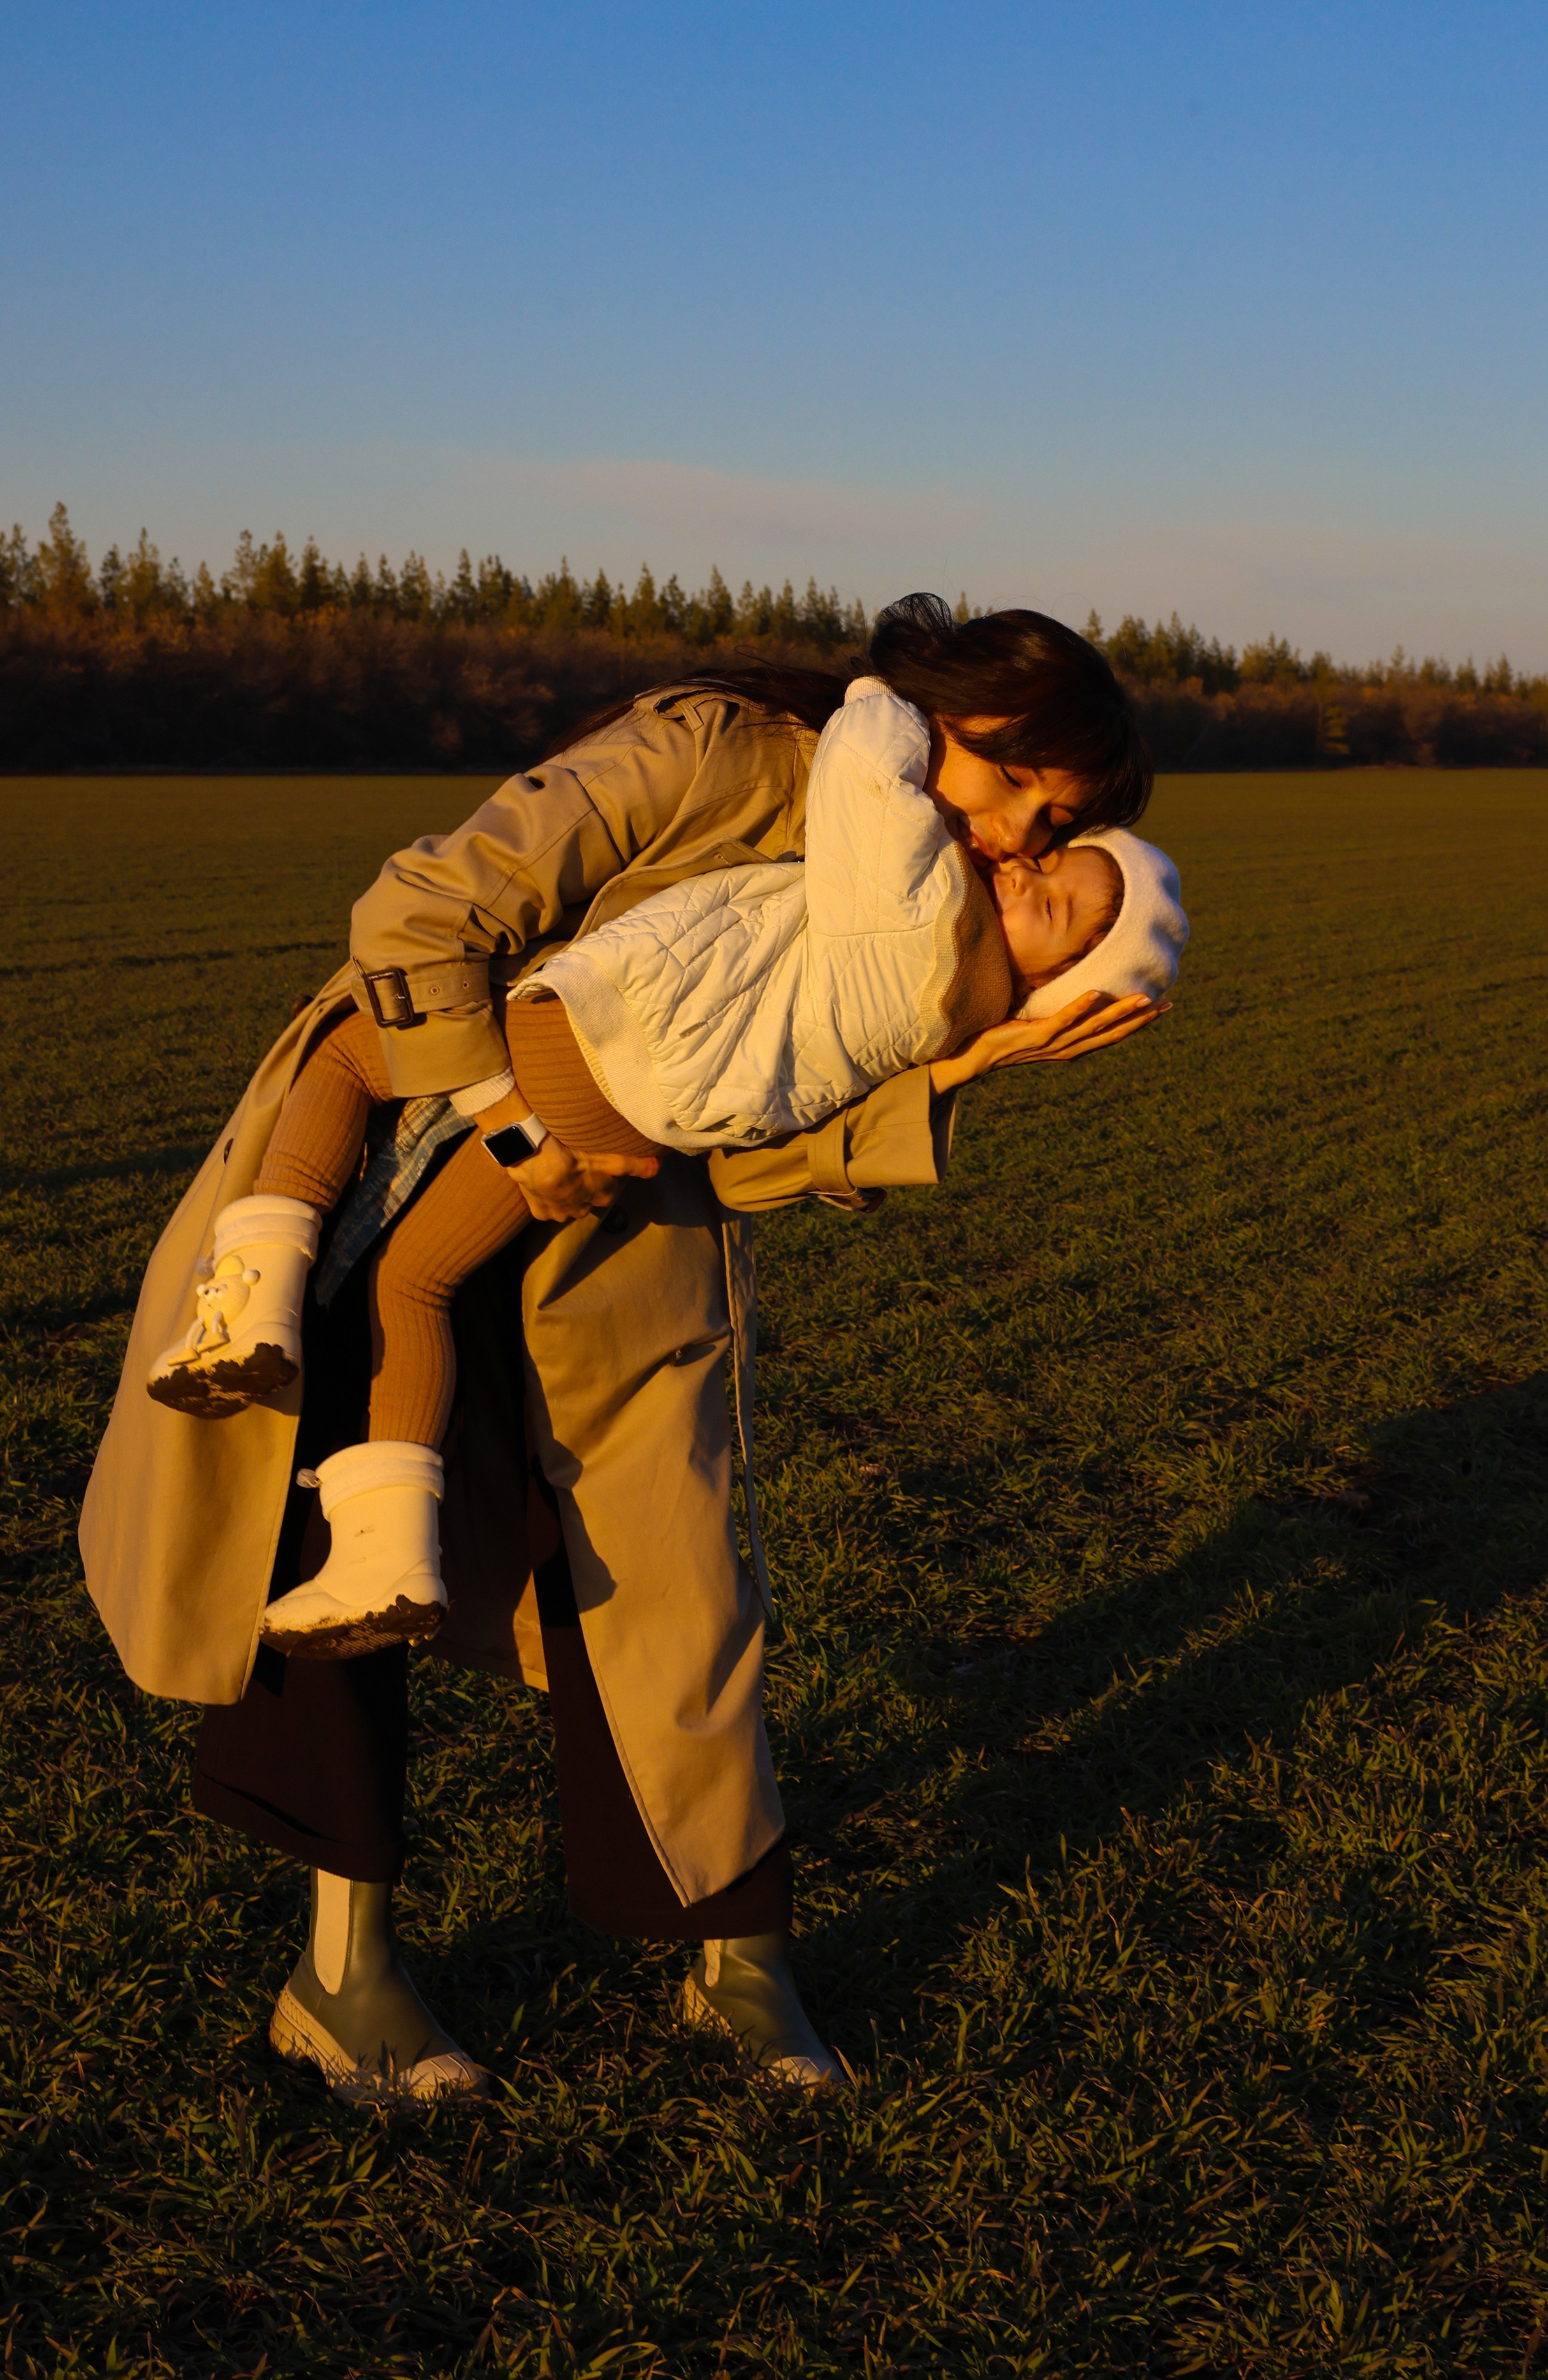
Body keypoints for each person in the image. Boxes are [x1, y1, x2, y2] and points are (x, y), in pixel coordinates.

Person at [80, 595, 1173, 2106]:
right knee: (327, 1565)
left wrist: (965, 1063)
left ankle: (739, 1967)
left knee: (675, 1604)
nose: (1022, 839)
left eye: (1059, 823)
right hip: (386, 1172)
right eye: (1022, 785)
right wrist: (515, 1126)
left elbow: (747, 1155)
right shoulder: (718, 753)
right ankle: (343, 1979)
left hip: (616, 1256)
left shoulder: (928, 898)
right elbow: (423, 915)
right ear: (936, 710)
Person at [142, 675, 1186, 1663]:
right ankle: (385, 1557)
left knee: (350, 1049)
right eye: (1036, 829)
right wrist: (964, 1065)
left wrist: (893, 693)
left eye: (1048, 877)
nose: (1014, 853)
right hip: (631, 1125)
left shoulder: (917, 905)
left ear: (1058, 987)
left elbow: (868, 757)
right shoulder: (941, 1021)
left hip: (590, 1036)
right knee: (414, 1283)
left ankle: (252, 1304)